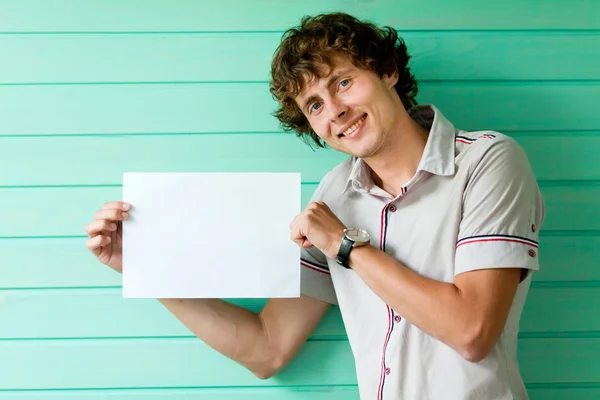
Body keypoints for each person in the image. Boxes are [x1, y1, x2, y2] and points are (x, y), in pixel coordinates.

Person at [85, 12, 545, 400]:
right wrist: (146, 268)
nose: (335, 111)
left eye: (343, 82)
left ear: (388, 71)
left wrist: (347, 246)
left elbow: (472, 331)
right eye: (314, 105)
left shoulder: (487, 160)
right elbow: (268, 349)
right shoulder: (334, 196)